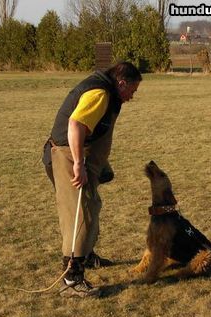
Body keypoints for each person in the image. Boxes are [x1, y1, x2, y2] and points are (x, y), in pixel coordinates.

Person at [43, 62, 142, 297]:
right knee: (80, 216)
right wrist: (78, 163)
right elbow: (75, 125)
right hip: (68, 157)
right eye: (132, 91)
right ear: (121, 83)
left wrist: (101, 164)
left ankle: (85, 256)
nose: (132, 97)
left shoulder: (106, 91)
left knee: (91, 208)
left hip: (82, 158)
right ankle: (71, 279)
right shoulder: (99, 93)